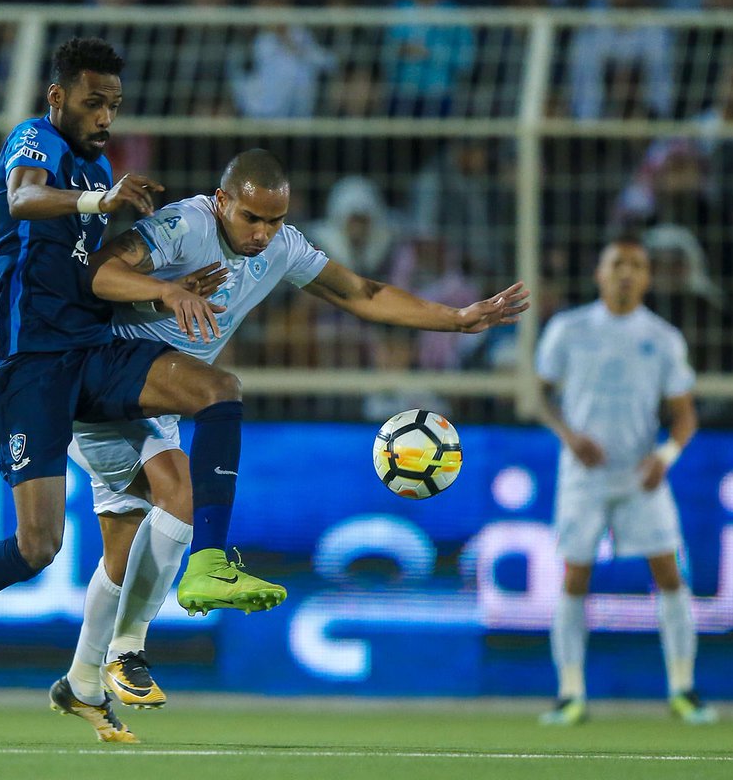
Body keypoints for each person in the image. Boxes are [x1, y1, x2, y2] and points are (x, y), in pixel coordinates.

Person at [0, 39, 282, 744]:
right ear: (59, 96)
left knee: (215, 394)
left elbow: (90, 275)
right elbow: (23, 199)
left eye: (115, 106)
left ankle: (165, 608)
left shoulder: (97, 166)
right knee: (38, 547)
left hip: (95, 353)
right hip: (31, 366)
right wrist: (103, 198)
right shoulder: (34, 142)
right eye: (95, 102)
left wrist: (166, 294)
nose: (106, 117)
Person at [60, 147, 530, 740]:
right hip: (109, 380)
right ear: (223, 200)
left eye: (275, 219)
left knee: (128, 550)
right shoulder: (183, 226)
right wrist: (169, 291)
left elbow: (361, 292)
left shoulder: (283, 248)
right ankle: (130, 646)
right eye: (252, 218)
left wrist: (455, 318)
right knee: (183, 485)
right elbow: (98, 272)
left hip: (164, 397)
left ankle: (79, 682)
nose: (263, 233)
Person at [535, 235, 717, 726]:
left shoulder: (662, 338)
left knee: (669, 574)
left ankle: (683, 689)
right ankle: (570, 694)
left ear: (648, 277)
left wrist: (666, 454)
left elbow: (685, 415)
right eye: (617, 263)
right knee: (575, 576)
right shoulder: (569, 329)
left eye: (636, 265)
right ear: (599, 272)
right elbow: (539, 394)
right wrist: (568, 436)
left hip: (641, 475)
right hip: (584, 476)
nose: (625, 273)